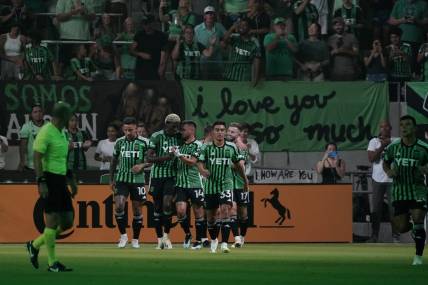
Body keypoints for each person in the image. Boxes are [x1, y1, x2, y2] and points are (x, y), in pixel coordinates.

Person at [26, 101, 77, 272]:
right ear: (61, 116)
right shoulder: (46, 132)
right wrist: (41, 181)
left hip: (61, 180)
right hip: (49, 179)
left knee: (68, 221)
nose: (70, 119)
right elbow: (37, 157)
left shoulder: (62, 132)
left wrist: (71, 181)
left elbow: (62, 158)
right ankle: (52, 263)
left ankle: (35, 244)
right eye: (68, 116)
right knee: (52, 223)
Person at [197, 121, 249, 253]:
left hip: (226, 184)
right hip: (210, 186)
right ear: (213, 132)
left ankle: (224, 243)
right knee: (211, 218)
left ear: (225, 132)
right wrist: (203, 171)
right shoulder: (206, 148)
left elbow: (239, 165)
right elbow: (199, 163)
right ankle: (214, 239)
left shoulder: (231, 147)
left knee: (226, 211)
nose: (220, 132)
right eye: (217, 130)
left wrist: (245, 180)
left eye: (222, 130)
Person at [383, 115, 428, 265]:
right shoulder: (393, 147)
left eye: (408, 124)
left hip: (418, 189)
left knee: (418, 218)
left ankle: (418, 257)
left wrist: (425, 169)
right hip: (399, 191)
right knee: (401, 227)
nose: (404, 127)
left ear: (415, 128)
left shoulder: (424, 148)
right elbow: (385, 162)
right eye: (401, 125)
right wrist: (389, 171)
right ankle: (413, 228)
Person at [109, 117, 151, 248]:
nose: (128, 132)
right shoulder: (119, 142)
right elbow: (114, 160)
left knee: (137, 210)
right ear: (123, 129)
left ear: (136, 129)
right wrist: (111, 179)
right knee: (119, 206)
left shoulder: (145, 142)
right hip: (122, 179)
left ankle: (136, 239)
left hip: (138, 180)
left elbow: (152, 159)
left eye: (131, 130)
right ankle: (123, 236)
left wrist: (142, 166)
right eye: (126, 130)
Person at [170, 120, 207, 249]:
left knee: (198, 212)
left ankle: (198, 240)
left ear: (191, 130)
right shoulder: (180, 146)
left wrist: (178, 155)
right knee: (180, 212)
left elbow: (192, 162)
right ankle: (187, 234)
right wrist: (173, 155)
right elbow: (176, 164)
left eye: (183, 130)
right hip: (181, 184)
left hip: (195, 183)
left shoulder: (198, 145)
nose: (181, 132)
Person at [147, 113, 182, 249]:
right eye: (173, 126)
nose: (175, 129)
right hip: (157, 176)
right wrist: (165, 158)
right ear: (166, 124)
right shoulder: (157, 136)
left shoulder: (180, 137)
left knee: (167, 204)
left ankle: (167, 237)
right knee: (157, 208)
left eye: (177, 126)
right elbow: (149, 158)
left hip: (172, 176)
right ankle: (159, 239)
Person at [367, 121, 399, 243]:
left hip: (392, 180)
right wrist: (382, 146)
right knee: (376, 209)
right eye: (381, 127)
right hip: (378, 179)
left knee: (393, 209)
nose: (384, 128)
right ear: (379, 129)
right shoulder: (374, 142)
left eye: (386, 127)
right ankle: (374, 236)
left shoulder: (396, 141)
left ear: (390, 128)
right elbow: (371, 159)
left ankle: (395, 236)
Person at [226, 123, 250, 248]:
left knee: (243, 214)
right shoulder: (224, 146)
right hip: (228, 183)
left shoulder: (242, 147)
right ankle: (236, 239)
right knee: (232, 210)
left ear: (238, 134)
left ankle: (242, 236)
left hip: (241, 184)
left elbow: (239, 165)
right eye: (228, 131)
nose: (229, 134)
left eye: (233, 132)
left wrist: (225, 162)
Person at [222, 18, 261, 84]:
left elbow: (257, 62)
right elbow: (224, 40)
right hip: (229, 76)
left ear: (249, 28)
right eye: (240, 25)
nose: (241, 27)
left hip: (244, 79)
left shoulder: (254, 44)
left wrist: (255, 79)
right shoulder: (235, 38)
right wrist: (232, 28)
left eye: (244, 25)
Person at [130, 15, 168, 80]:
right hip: (140, 70)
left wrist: (162, 67)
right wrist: (141, 54)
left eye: (147, 23)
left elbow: (164, 54)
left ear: (152, 23)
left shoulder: (161, 36)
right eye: (144, 23)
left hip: (155, 69)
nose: (145, 26)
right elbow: (131, 50)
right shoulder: (139, 35)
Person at [194, 6, 226, 79]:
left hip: (217, 54)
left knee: (221, 74)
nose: (210, 15)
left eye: (212, 13)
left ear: (214, 15)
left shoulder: (219, 26)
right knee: (204, 73)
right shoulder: (197, 28)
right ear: (204, 16)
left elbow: (226, 35)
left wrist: (224, 41)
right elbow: (194, 42)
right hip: (203, 54)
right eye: (208, 13)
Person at [18, 103, 45, 171]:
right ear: (31, 114)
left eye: (40, 111)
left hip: (47, 166)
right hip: (32, 166)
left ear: (43, 113)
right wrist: (22, 162)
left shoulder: (49, 126)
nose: (38, 114)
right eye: (35, 112)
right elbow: (22, 146)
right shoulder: (26, 127)